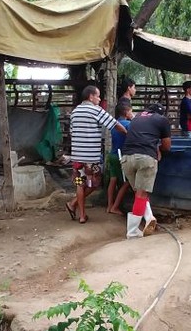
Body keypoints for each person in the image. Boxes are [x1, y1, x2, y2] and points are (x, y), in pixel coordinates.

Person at [66, 85, 126, 224]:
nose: (99, 99)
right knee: (94, 183)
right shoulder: (95, 110)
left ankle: (80, 214)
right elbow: (114, 124)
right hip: (90, 157)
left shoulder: (75, 112)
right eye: (98, 96)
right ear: (91, 96)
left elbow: (71, 132)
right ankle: (73, 203)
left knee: (80, 184)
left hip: (77, 156)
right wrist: (128, 133)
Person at [120, 103, 172, 238]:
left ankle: (149, 218)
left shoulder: (136, 117)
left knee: (139, 193)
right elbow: (167, 146)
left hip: (126, 158)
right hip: (145, 158)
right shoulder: (162, 120)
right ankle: (132, 232)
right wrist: (158, 149)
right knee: (142, 194)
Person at [105, 98, 133, 214]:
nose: (132, 114)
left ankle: (109, 205)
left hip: (112, 154)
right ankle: (115, 206)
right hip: (121, 156)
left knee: (113, 181)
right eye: (131, 111)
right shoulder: (129, 124)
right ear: (127, 112)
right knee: (128, 182)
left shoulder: (114, 124)